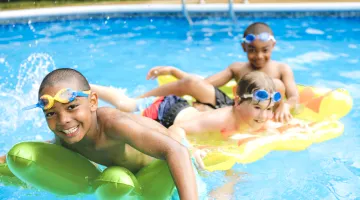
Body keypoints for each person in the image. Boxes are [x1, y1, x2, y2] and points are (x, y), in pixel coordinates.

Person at [0, 68, 199, 200]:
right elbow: (53, 146)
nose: (63, 121)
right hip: (130, 178)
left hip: (170, 165)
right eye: (51, 114)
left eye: (72, 107)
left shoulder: (114, 125)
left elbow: (176, 151)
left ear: (93, 102)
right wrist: (7, 158)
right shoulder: (66, 133)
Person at [92, 71, 282, 170]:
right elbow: (178, 128)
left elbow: (271, 123)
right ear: (238, 102)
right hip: (164, 111)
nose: (263, 116)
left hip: (181, 108)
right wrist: (188, 149)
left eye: (268, 109)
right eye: (257, 108)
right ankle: (88, 88)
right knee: (126, 105)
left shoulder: (259, 118)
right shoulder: (220, 118)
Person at [142, 22, 298, 123]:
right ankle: (141, 101)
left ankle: (206, 110)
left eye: (265, 50)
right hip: (235, 109)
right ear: (244, 48)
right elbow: (204, 83)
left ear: (273, 45)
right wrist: (173, 71)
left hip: (262, 115)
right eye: (252, 50)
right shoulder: (237, 68)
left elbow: (294, 97)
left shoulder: (281, 69)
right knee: (192, 83)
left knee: (275, 85)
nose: (258, 56)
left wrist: (285, 106)